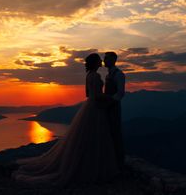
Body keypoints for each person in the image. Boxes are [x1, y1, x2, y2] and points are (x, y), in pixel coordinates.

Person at [12, 53, 119, 187]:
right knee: (94, 136)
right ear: (95, 63)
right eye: (99, 60)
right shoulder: (96, 76)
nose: (101, 62)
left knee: (85, 137)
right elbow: (97, 96)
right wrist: (110, 98)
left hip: (89, 107)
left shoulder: (88, 76)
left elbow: (88, 94)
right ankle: (91, 167)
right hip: (96, 109)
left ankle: (84, 164)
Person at [103, 51, 126, 170]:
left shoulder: (119, 74)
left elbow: (120, 93)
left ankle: (119, 162)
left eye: (106, 59)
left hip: (114, 107)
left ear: (113, 60)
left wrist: (110, 101)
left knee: (115, 131)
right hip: (107, 107)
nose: (104, 61)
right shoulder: (108, 75)